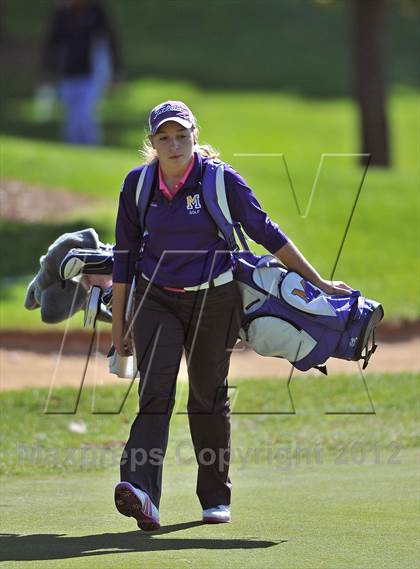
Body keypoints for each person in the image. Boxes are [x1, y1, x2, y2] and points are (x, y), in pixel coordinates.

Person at [112, 100, 351, 531]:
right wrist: (119, 327)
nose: (174, 144)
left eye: (181, 135)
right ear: (152, 143)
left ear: (194, 136)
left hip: (215, 299)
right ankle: (141, 491)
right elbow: (124, 256)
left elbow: (266, 232)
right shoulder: (137, 186)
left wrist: (318, 282)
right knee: (155, 395)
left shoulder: (221, 181)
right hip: (155, 300)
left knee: (207, 397)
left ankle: (215, 497)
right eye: (164, 138)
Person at [42, 0, 120, 145]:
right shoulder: (62, 14)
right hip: (67, 75)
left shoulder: (96, 12)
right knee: (71, 119)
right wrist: (47, 73)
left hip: (91, 75)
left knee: (85, 116)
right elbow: (52, 44)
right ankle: (72, 149)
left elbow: (109, 41)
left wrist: (115, 71)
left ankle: (90, 148)